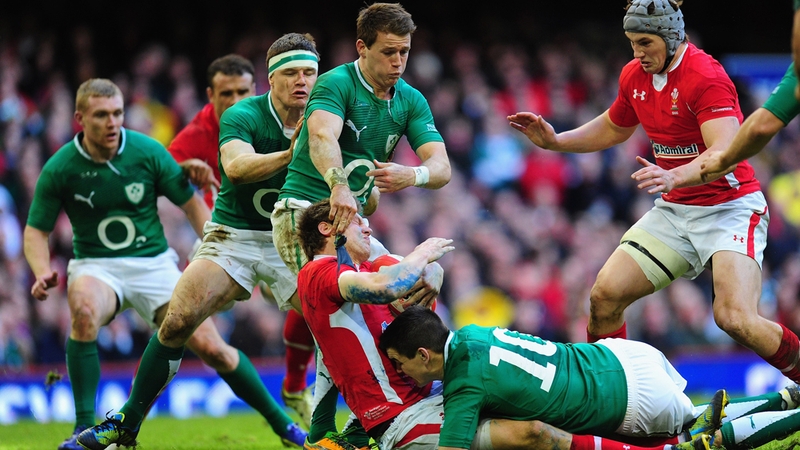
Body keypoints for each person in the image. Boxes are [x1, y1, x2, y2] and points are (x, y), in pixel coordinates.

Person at [507, 0, 800, 385]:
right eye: (631, 43)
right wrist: (557, 141)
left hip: (729, 207)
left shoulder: (705, 75)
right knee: (604, 297)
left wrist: (676, 176)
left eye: (645, 42)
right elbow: (616, 126)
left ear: (671, 36)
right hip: (676, 209)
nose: (637, 53)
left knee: (734, 318)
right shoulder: (634, 75)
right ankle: (609, 396)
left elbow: (725, 155)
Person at [22, 78, 302, 450]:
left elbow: (190, 202)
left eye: (118, 113)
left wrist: (220, 250)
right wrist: (41, 270)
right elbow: (35, 231)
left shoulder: (147, 152)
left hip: (153, 263)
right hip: (96, 264)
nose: (112, 122)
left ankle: (284, 427)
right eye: (102, 115)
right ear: (79, 118)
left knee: (212, 347)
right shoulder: (61, 166)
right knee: (84, 309)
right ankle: (83, 426)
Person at [76, 32, 320, 449]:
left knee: (332, 318)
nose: (302, 81)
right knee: (179, 320)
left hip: (291, 237)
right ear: (273, 79)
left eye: (309, 73)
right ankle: (126, 424)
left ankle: (321, 415)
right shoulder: (236, 119)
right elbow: (230, 170)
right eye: (292, 72)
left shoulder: (328, 117)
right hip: (233, 235)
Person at [270, 3, 451, 443]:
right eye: (389, 52)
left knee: (417, 284)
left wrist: (414, 175)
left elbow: (441, 166)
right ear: (361, 47)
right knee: (340, 316)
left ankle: (373, 416)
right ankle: (325, 428)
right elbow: (321, 137)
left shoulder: (410, 99)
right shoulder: (336, 84)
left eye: (404, 52)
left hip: (353, 226)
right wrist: (337, 184)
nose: (398, 62)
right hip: (304, 214)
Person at [379, 305, 800, 450]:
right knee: (692, 418)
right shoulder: (472, 332)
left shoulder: (463, 388)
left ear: (423, 354)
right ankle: (788, 397)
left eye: (400, 362)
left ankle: (792, 415)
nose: (399, 372)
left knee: (698, 441)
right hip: (627, 356)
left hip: (633, 400)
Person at [167, 53, 314, 426]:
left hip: (277, 234)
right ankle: (130, 414)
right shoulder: (197, 134)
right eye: (225, 93)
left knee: (316, 299)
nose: (234, 101)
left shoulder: (280, 118)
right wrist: (181, 170)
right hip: (224, 236)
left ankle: (295, 386)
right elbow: (160, 175)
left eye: (242, 92)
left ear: (257, 89)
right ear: (210, 95)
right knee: (186, 325)